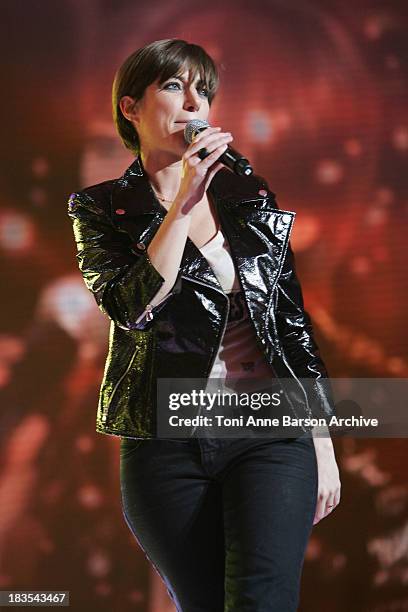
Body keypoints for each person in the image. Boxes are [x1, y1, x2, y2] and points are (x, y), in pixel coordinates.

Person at [68, 38, 341, 612]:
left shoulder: (248, 197)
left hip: (268, 429)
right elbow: (130, 305)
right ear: (131, 107)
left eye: (204, 91)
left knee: (261, 600)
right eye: (174, 86)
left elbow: (289, 324)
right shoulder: (98, 209)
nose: (195, 103)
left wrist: (322, 440)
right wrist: (181, 205)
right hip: (166, 443)